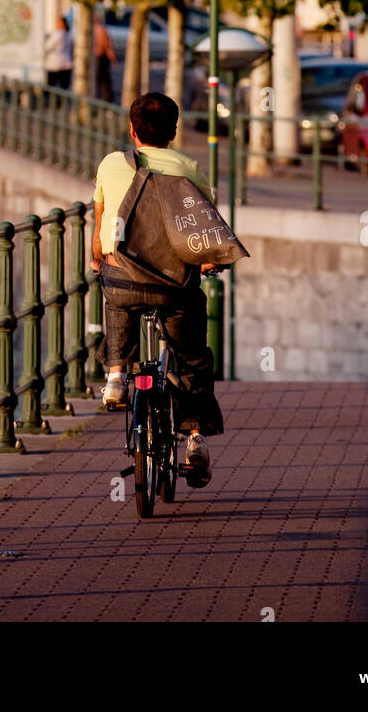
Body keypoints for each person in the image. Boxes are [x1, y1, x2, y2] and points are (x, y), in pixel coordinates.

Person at [91, 91, 224, 486]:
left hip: (123, 280)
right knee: (193, 358)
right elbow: (204, 227)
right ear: (174, 131)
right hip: (174, 287)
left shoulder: (111, 164)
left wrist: (98, 257)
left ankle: (116, 374)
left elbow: (99, 222)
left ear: (132, 130)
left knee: (115, 300)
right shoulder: (188, 167)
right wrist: (206, 261)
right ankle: (196, 438)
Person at [44, 14, 73, 89]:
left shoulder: (57, 34)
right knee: (64, 88)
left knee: (52, 88)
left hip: (55, 65)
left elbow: (47, 46)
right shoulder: (69, 35)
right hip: (66, 64)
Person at [93, 11, 116, 102]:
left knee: (100, 79)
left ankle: (103, 98)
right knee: (104, 80)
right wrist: (112, 57)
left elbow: (106, 45)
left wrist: (111, 57)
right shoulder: (101, 29)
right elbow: (108, 45)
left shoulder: (98, 29)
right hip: (100, 57)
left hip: (99, 57)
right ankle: (107, 98)